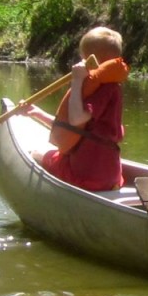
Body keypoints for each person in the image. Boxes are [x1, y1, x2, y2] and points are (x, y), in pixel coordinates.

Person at [25, 26, 129, 191]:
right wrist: (36, 113)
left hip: (85, 179)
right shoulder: (112, 87)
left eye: (82, 57)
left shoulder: (101, 90)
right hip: (112, 178)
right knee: (48, 155)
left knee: (34, 154)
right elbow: (79, 129)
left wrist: (77, 81)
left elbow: (76, 120)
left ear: (89, 61)